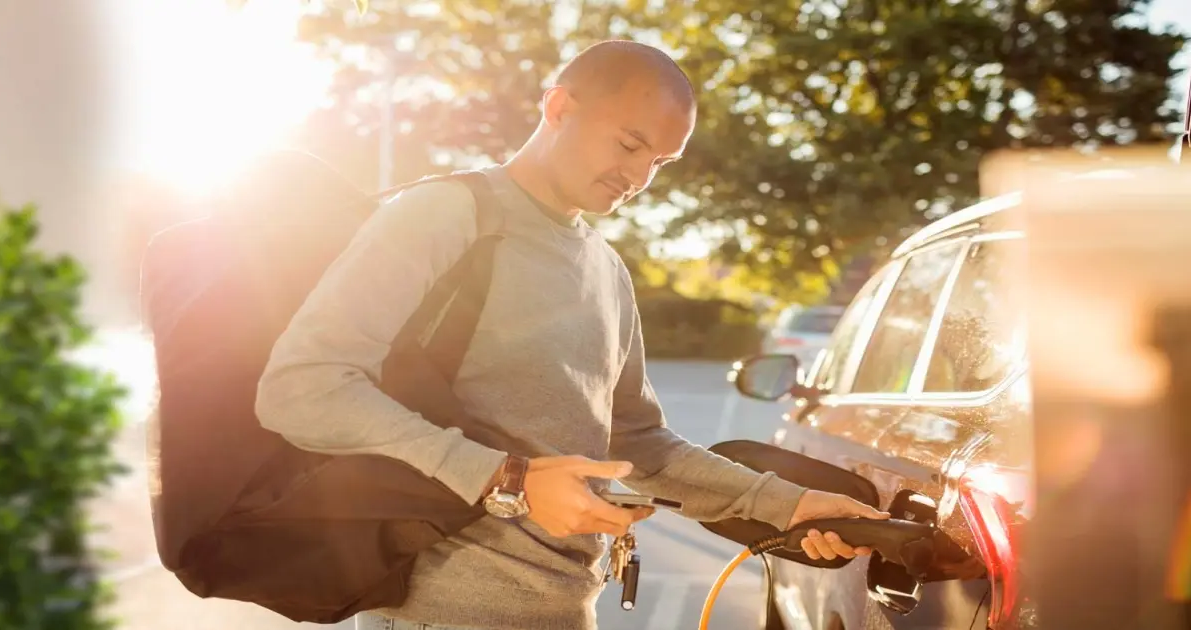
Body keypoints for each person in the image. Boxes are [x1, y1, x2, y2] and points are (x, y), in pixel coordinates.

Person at [253, 39, 889, 630]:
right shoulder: (446, 215)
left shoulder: (607, 269)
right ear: (559, 107)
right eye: (630, 144)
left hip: (564, 609)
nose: (639, 177)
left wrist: (790, 503)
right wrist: (504, 478)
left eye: (660, 162)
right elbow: (303, 388)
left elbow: (640, 445)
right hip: (439, 611)